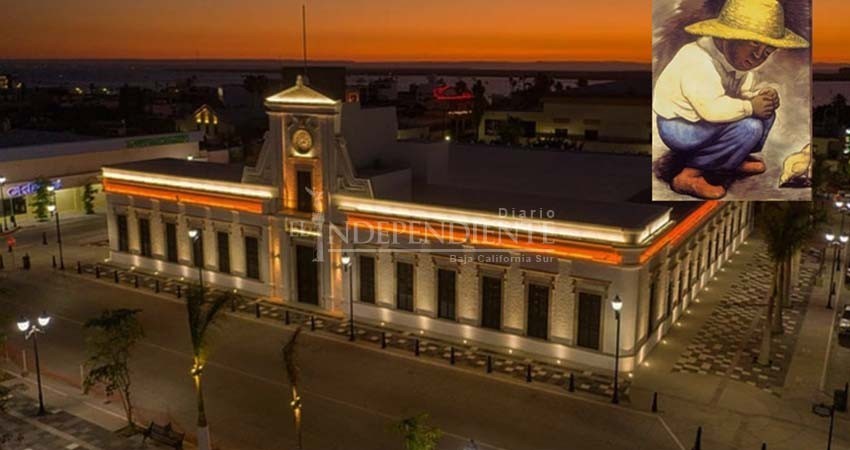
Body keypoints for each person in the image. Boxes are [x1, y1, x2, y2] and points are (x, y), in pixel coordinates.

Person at [653, 0, 809, 199]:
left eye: (768, 51)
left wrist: (759, 99)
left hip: (705, 122)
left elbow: (740, 96)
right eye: (753, 43)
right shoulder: (698, 60)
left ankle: (730, 160)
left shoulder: (738, 63)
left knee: (765, 113)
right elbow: (712, 110)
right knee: (750, 127)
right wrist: (751, 106)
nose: (758, 56)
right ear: (727, 35)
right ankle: (688, 175)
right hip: (680, 127)